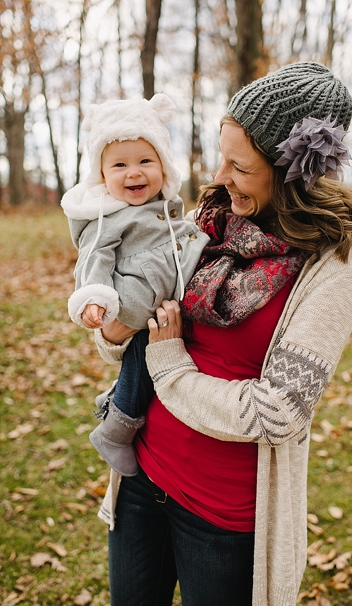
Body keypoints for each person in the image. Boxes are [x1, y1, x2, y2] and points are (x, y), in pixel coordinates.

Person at [92, 62, 352, 605]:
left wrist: (169, 365)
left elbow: (279, 411)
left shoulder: (334, 264)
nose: (219, 176)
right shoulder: (205, 221)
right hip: (143, 480)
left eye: (239, 165)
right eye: (222, 156)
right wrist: (113, 326)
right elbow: (130, 327)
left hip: (224, 516)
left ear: (292, 172)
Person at [61, 94, 208, 477]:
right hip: (131, 304)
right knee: (141, 355)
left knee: (149, 357)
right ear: (103, 175)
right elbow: (93, 259)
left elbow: (181, 239)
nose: (134, 173)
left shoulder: (164, 207)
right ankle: (116, 429)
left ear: (163, 164)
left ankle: (115, 403)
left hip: (159, 308)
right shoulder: (106, 217)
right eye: (120, 165)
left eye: (145, 161)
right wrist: (94, 298)